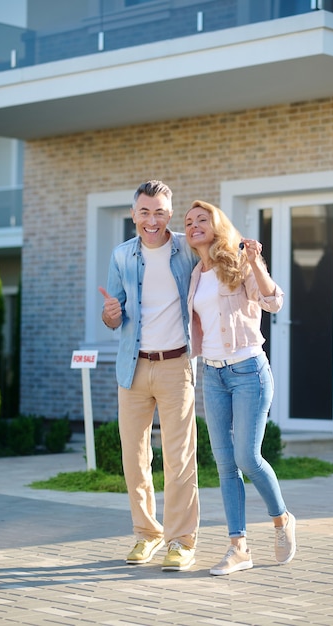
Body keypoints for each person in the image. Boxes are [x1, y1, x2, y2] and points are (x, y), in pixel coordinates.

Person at [184, 199, 296, 576]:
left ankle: (281, 520)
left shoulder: (239, 263)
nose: (194, 225)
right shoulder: (195, 274)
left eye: (203, 219)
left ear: (217, 226)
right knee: (225, 464)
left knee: (247, 457)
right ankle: (239, 547)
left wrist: (256, 261)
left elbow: (274, 301)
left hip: (249, 371)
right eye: (189, 221)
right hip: (212, 376)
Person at [99, 180, 199, 572]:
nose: (151, 220)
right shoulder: (122, 255)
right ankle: (147, 534)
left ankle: (181, 541)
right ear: (133, 214)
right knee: (134, 458)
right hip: (133, 367)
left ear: (169, 214)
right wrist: (110, 316)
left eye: (159, 212)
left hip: (176, 366)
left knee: (180, 459)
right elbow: (114, 312)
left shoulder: (187, 250)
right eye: (144, 212)